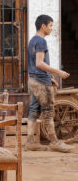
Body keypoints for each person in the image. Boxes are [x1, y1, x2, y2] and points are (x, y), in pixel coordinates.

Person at [25, 14, 73, 153]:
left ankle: (30, 142)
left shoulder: (32, 40)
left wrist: (50, 77)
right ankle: (54, 142)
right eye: (50, 25)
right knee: (48, 111)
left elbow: (35, 64)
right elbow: (39, 63)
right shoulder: (41, 41)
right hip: (41, 83)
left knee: (34, 109)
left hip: (34, 80)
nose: (52, 28)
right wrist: (58, 72)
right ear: (43, 26)